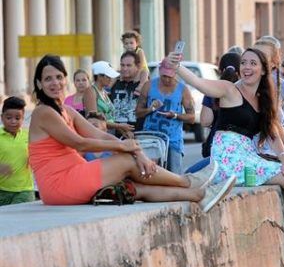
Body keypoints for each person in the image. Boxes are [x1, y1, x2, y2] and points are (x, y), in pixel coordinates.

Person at [167, 48, 284, 263]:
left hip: (248, 153)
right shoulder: (229, 89)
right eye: (244, 63)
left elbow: (272, 133)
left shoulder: (263, 98)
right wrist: (178, 67)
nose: (247, 67)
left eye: (253, 63)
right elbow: (200, 83)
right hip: (229, 156)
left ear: (263, 70)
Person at [27, 54, 235, 211]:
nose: (55, 83)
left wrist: (137, 151)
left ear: (65, 79)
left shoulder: (67, 111)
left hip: (73, 176)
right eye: (48, 79)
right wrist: (123, 147)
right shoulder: (43, 113)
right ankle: (188, 181)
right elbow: (81, 143)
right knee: (125, 162)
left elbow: (99, 135)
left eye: (58, 77)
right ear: (39, 84)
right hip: (59, 184)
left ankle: (199, 195)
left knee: (136, 187)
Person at [136, 59, 195, 173]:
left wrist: (175, 115)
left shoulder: (183, 90)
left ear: (175, 74)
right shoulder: (148, 86)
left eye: (170, 76)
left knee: (174, 177)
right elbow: (138, 112)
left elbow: (192, 118)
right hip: (150, 139)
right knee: (149, 175)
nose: (167, 79)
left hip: (173, 140)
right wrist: (151, 109)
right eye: (164, 76)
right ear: (159, 71)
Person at [200, 52, 242, 159]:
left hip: (216, 145)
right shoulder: (246, 90)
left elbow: (205, 121)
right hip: (241, 147)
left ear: (220, 70)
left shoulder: (212, 89)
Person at [84, 61, 134, 137]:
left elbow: (110, 117)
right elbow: (93, 120)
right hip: (98, 135)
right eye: (108, 76)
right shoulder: (91, 91)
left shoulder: (104, 92)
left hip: (108, 133)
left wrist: (122, 130)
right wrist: (120, 126)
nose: (110, 79)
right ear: (99, 76)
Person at [0, 97, 34, 205]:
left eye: (17, 118)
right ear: (2, 117)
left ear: (23, 118)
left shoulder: (28, 136)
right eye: (9, 118)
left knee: (21, 218)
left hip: (25, 190)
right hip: (2, 190)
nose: (13, 121)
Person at [110, 51, 142, 133]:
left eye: (129, 65)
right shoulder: (113, 84)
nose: (124, 68)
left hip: (139, 134)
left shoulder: (143, 85)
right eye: (122, 65)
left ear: (137, 66)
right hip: (115, 136)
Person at [121, 31, 150, 96]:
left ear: (137, 43)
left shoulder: (139, 51)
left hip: (141, 70)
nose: (129, 46)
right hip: (130, 71)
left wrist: (137, 75)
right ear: (123, 45)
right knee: (118, 73)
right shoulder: (125, 54)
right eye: (126, 43)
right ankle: (110, 87)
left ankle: (140, 87)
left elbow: (141, 65)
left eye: (131, 43)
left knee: (144, 73)